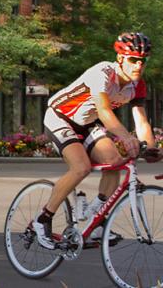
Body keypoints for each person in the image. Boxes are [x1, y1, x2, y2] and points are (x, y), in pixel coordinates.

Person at [32, 32, 158, 249]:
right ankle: (42, 220)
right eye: (133, 59)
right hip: (61, 117)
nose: (138, 65)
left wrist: (152, 148)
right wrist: (126, 137)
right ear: (120, 59)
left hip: (88, 123)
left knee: (115, 162)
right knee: (81, 168)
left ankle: (95, 220)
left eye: (143, 61)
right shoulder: (102, 73)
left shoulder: (138, 85)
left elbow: (142, 121)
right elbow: (104, 111)